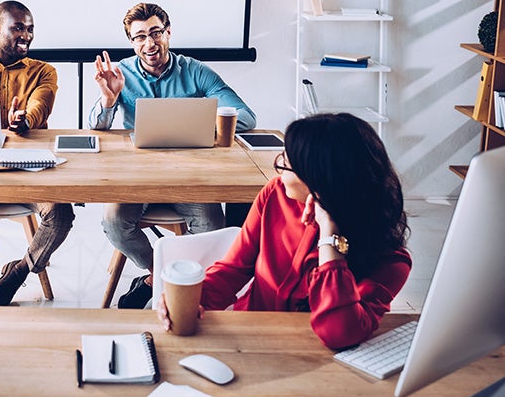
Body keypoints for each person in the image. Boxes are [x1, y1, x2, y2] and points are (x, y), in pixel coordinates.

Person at [157, 112, 412, 350]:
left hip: (319, 361)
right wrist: (188, 299)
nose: (278, 168)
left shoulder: (391, 261)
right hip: (251, 340)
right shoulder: (275, 195)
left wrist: (329, 236)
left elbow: (339, 332)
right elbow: (234, 269)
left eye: (286, 163)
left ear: (318, 180)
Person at [89, 2, 257, 309]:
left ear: (168, 32)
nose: (149, 43)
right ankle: (160, 274)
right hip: (137, 177)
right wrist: (108, 99)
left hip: (188, 176)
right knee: (114, 223)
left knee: (213, 229)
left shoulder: (194, 71)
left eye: (156, 33)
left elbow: (246, 117)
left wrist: (199, 120)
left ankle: (164, 283)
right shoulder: (121, 73)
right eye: (140, 36)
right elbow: (97, 127)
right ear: (131, 41)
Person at [0, 0, 75, 306]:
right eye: (18, 27)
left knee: (61, 216)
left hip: (31, 170)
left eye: (30, 28)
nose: (26, 35)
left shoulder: (45, 71)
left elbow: (40, 105)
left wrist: (24, 121)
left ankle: (19, 271)